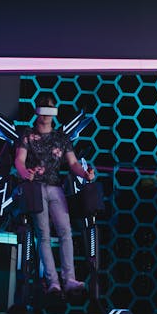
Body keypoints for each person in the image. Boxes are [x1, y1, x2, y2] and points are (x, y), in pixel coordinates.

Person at [14, 95, 96, 294]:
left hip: (55, 187)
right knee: (43, 235)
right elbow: (19, 160)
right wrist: (26, 174)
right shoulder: (27, 134)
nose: (46, 114)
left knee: (65, 232)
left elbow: (73, 163)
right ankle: (53, 282)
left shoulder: (61, 137)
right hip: (36, 189)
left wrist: (85, 174)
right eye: (43, 108)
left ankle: (69, 279)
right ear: (37, 111)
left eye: (50, 109)